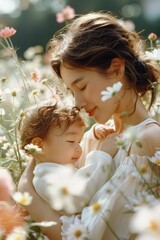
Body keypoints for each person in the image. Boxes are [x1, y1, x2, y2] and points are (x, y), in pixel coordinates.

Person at [18, 11, 160, 240]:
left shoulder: (150, 140)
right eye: (71, 92)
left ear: (116, 69)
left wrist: (27, 192)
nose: (77, 103)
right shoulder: (86, 141)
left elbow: (84, 235)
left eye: (81, 87)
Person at [19, 99, 116, 217]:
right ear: (39, 145)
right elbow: (79, 196)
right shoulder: (45, 179)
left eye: (79, 141)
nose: (79, 149)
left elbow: (84, 149)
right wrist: (103, 156)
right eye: (71, 141)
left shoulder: (59, 164)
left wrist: (94, 133)